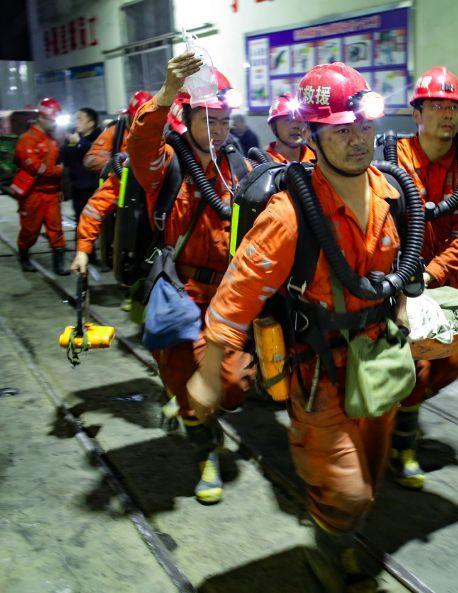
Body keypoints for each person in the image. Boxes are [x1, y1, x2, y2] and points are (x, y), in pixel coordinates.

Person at [187, 62, 407, 592]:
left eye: (364, 128)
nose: (358, 141)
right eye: (341, 130)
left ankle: (339, 539)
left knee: (371, 478)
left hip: (377, 359)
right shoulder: (289, 214)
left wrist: (404, 318)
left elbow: (401, 271)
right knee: (347, 490)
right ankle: (328, 552)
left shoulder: (394, 196)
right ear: (313, 134)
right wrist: (211, 371)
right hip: (319, 369)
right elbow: (235, 297)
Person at [127, 52, 254, 505]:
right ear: (187, 116)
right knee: (186, 385)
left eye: (224, 119)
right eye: (208, 118)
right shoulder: (168, 165)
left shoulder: (242, 168)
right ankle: (206, 454)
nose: (218, 128)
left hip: (228, 294)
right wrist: (165, 92)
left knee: (234, 384)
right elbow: (141, 144)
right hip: (180, 295)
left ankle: (209, 418)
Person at [388, 66, 458, 489]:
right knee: (405, 366)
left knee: (450, 361)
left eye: (454, 108)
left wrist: (430, 275)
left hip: (443, 283)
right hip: (393, 284)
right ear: (417, 113)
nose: (447, 115)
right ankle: (399, 445)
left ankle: (398, 424)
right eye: (437, 106)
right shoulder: (390, 158)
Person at [70, 90, 153, 274]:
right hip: (123, 204)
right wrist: (120, 166)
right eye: (138, 118)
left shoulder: (166, 145)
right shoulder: (115, 133)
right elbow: (91, 160)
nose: (143, 124)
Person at [14, 97, 69, 275]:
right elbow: (36, 167)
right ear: (41, 117)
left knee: (56, 230)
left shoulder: (51, 139)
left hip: (52, 194)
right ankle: (23, 254)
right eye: (52, 120)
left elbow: (51, 164)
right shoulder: (27, 140)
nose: (54, 124)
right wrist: (59, 171)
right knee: (30, 230)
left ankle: (58, 263)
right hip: (33, 194)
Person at [60, 108, 101, 227]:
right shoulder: (74, 138)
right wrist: (69, 143)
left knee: (96, 226)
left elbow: (96, 153)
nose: (77, 122)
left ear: (91, 123)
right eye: (76, 119)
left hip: (94, 190)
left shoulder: (100, 137)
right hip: (77, 190)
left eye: (80, 119)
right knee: (81, 225)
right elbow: (64, 158)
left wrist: (80, 143)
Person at [265, 93, 315, 163]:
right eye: (288, 120)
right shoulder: (261, 163)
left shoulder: (318, 159)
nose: (296, 126)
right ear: (273, 126)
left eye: (300, 120)